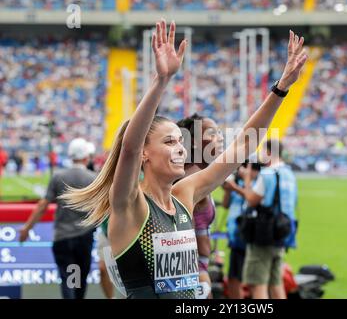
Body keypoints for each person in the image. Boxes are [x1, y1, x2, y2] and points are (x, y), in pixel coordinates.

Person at [61, 19, 307, 299]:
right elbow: (128, 149)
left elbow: (243, 145)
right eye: (169, 142)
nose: (180, 148)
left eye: (181, 141)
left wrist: (281, 88)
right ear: (144, 152)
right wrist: (161, 80)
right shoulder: (130, 204)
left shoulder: (184, 195)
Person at [19, 138, 97, 299]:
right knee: (79, 281)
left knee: (69, 280)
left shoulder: (58, 176)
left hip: (63, 237)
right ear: (86, 156)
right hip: (84, 236)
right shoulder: (93, 178)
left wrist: (27, 228)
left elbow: (42, 206)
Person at [233, 139, 298, 299]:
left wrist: (246, 179)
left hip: (264, 233)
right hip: (283, 231)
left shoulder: (267, 174)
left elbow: (251, 200)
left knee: (257, 284)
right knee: (276, 284)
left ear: (269, 152)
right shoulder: (289, 174)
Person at [177, 113, 224, 298]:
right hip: (192, 273)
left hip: (199, 269)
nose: (220, 138)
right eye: (212, 133)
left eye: (219, 132)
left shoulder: (200, 174)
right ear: (195, 142)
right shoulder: (191, 179)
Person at [222, 160, 262, 299]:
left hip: (251, 237)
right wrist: (228, 190)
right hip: (236, 236)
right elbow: (226, 205)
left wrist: (236, 187)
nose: (240, 170)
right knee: (234, 278)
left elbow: (251, 199)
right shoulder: (237, 183)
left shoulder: (258, 184)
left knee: (254, 281)